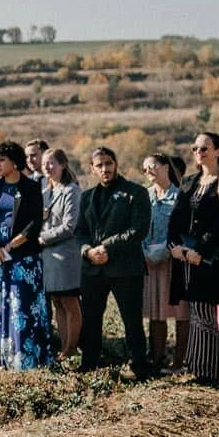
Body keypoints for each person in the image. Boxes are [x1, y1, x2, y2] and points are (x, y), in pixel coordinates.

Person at [169, 132, 219, 383]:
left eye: (204, 148)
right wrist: (175, 246)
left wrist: (200, 251)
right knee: (195, 312)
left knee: (205, 313)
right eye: (195, 149)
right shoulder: (190, 181)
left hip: (211, 258)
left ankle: (208, 371)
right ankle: (196, 367)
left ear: (218, 151)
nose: (199, 153)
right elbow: (177, 216)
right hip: (185, 256)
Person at [78, 147, 152, 376]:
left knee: (131, 320)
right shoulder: (87, 196)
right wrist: (88, 251)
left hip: (125, 268)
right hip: (93, 269)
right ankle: (89, 363)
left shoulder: (136, 192)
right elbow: (80, 232)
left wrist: (107, 247)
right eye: (99, 165)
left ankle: (139, 365)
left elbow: (138, 230)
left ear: (116, 164)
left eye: (108, 163)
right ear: (92, 168)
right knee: (90, 319)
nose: (105, 168)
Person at [0, 141, 51, 370]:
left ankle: (27, 361)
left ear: (14, 161)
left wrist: (9, 247)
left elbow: (34, 224)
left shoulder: (30, 188)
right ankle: (4, 359)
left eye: (2, 160)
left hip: (24, 258)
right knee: (0, 308)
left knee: (23, 308)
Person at [140, 153, 185, 368]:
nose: (148, 170)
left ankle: (181, 359)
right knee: (156, 313)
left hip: (173, 261)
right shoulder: (144, 196)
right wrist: (144, 254)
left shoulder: (180, 197)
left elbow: (182, 231)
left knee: (180, 312)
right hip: (148, 262)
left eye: (153, 166)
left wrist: (161, 253)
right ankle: (157, 357)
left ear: (166, 167)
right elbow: (138, 228)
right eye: (145, 168)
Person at [38, 148, 83, 361]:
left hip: (66, 256)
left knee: (69, 302)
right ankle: (64, 348)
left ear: (62, 165)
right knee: (57, 302)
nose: (47, 167)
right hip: (48, 257)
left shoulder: (71, 190)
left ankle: (71, 348)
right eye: (44, 163)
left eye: (51, 163)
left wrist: (41, 238)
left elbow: (69, 225)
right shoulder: (46, 192)